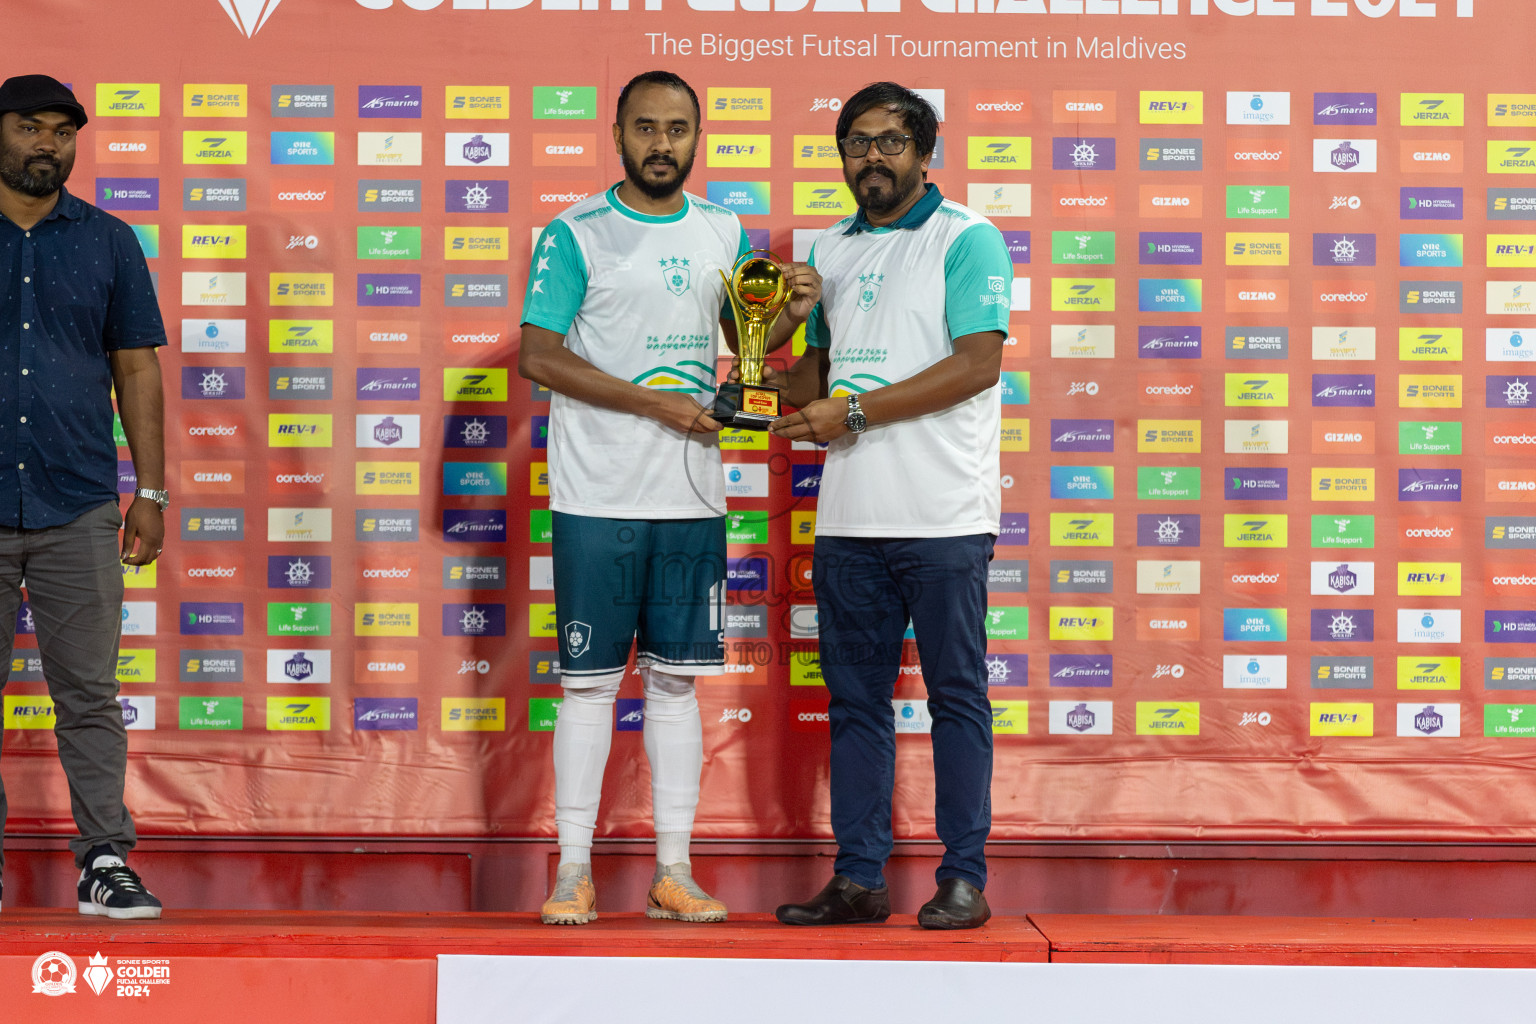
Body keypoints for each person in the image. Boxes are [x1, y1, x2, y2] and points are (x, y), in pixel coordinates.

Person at [518, 70, 818, 925]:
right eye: (645, 127)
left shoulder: (725, 230)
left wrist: (789, 314)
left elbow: (744, 347)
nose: (661, 143)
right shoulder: (576, 233)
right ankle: (573, 868)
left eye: (677, 128)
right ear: (617, 134)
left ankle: (673, 870)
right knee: (587, 687)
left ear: (697, 137)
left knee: (678, 686)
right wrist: (652, 401)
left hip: (692, 497)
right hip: (597, 493)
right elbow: (540, 354)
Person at [770, 82, 1011, 930]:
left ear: (924, 150)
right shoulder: (826, 251)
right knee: (856, 706)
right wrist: (789, 327)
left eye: (890, 141)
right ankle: (860, 878)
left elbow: (977, 363)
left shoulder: (967, 239)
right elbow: (813, 384)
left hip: (944, 515)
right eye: (856, 142)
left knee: (956, 697)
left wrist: (857, 412)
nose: (871, 157)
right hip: (849, 518)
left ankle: (964, 878)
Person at [0, 75, 168, 920]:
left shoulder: (108, 241)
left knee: (90, 698)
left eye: (62, 132)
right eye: (29, 126)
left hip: (78, 504)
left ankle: (105, 858)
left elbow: (137, 367)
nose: (47, 144)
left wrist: (154, 490)